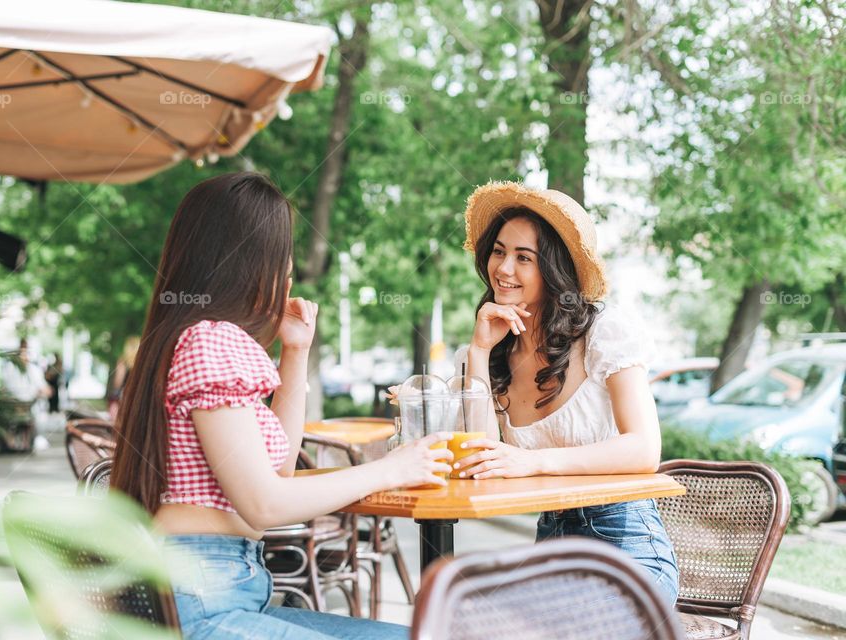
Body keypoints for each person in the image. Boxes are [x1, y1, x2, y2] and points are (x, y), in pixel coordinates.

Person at [110, 172, 452, 639]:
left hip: (219, 593)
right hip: (201, 604)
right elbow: (265, 505)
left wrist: (295, 353)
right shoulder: (212, 340)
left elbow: (279, 473)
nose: (287, 268)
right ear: (249, 261)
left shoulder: (185, 337)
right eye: (281, 253)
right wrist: (392, 469)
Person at [446, 182, 678, 603]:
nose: (504, 269)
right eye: (498, 252)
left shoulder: (603, 332)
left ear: (553, 269)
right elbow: (480, 461)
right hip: (551, 544)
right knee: (466, 617)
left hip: (626, 548)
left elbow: (646, 449)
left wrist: (532, 462)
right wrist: (479, 351)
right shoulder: (488, 351)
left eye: (523, 257)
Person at [106, 336, 140, 420]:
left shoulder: (123, 361)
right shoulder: (140, 363)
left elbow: (118, 382)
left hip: (124, 396)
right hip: (137, 396)